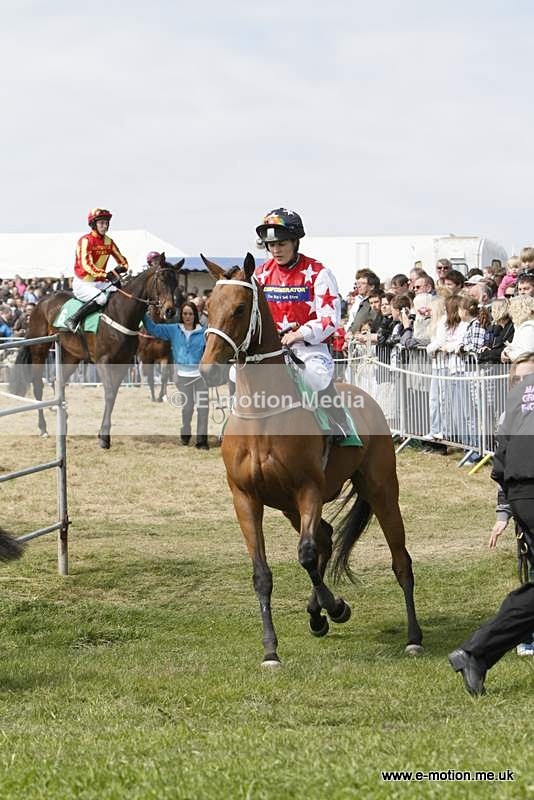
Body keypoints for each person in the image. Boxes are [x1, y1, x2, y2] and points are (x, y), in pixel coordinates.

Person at [448, 353, 534, 695]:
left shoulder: (518, 398)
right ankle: (476, 652)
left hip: (520, 491)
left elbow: (499, 462)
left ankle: (476, 654)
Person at [255, 208, 353, 441]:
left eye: (282, 244)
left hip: (308, 349)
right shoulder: (260, 275)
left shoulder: (319, 273)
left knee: (315, 378)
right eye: (271, 245)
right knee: (233, 373)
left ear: (295, 241)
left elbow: (330, 320)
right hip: (270, 349)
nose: (276, 250)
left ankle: (338, 423)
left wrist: (299, 334)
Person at [142, 301, 209, 449]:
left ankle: (202, 441)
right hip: (182, 376)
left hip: (200, 377)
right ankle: (185, 430)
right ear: (181, 315)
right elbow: (153, 329)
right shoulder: (173, 329)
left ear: (195, 315)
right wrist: (142, 313)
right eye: (185, 313)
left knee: (203, 408)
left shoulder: (204, 332)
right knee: (188, 407)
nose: (188, 316)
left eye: (190, 314)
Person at [65, 208, 128, 333]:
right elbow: (86, 266)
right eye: (101, 223)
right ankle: (73, 319)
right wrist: (106, 274)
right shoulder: (85, 241)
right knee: (102, 299)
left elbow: (123, 261)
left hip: (99, 282)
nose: (105, 226)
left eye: (106, 223)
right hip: (83, 283)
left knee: (121, 293)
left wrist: (121, 268)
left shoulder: (108, 242)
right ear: (94, 224)